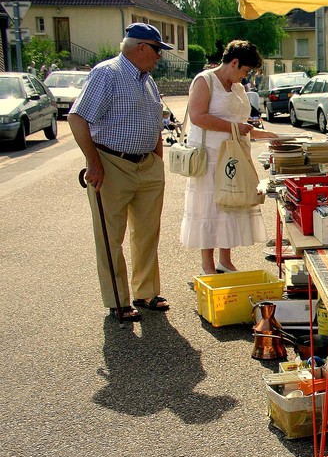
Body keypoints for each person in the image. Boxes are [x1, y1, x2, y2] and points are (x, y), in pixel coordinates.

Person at [69, 23, 174, 321]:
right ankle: (118, 299)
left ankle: (146, 291)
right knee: (110, 236)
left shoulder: (147, 80)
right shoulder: (107, 73)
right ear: (141, 47)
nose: (159, 57)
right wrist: (94, 163)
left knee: (147, 232)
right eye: (157, 50)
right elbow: (77, 118)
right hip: (111, 162)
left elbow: (155, 124)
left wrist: (157, 161)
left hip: (147, 165)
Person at [179, 40, 277, 275]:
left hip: (234, 155)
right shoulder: (205, 80)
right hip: (210, 156)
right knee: (209, 208)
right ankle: (207, 265)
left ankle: (225, 259)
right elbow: (198, 116)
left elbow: (243, 125)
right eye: (244, 71)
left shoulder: (238, 87)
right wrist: (232, 127)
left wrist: (272, 135)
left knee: (231, 205)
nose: (245, 77)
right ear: (234, 62)